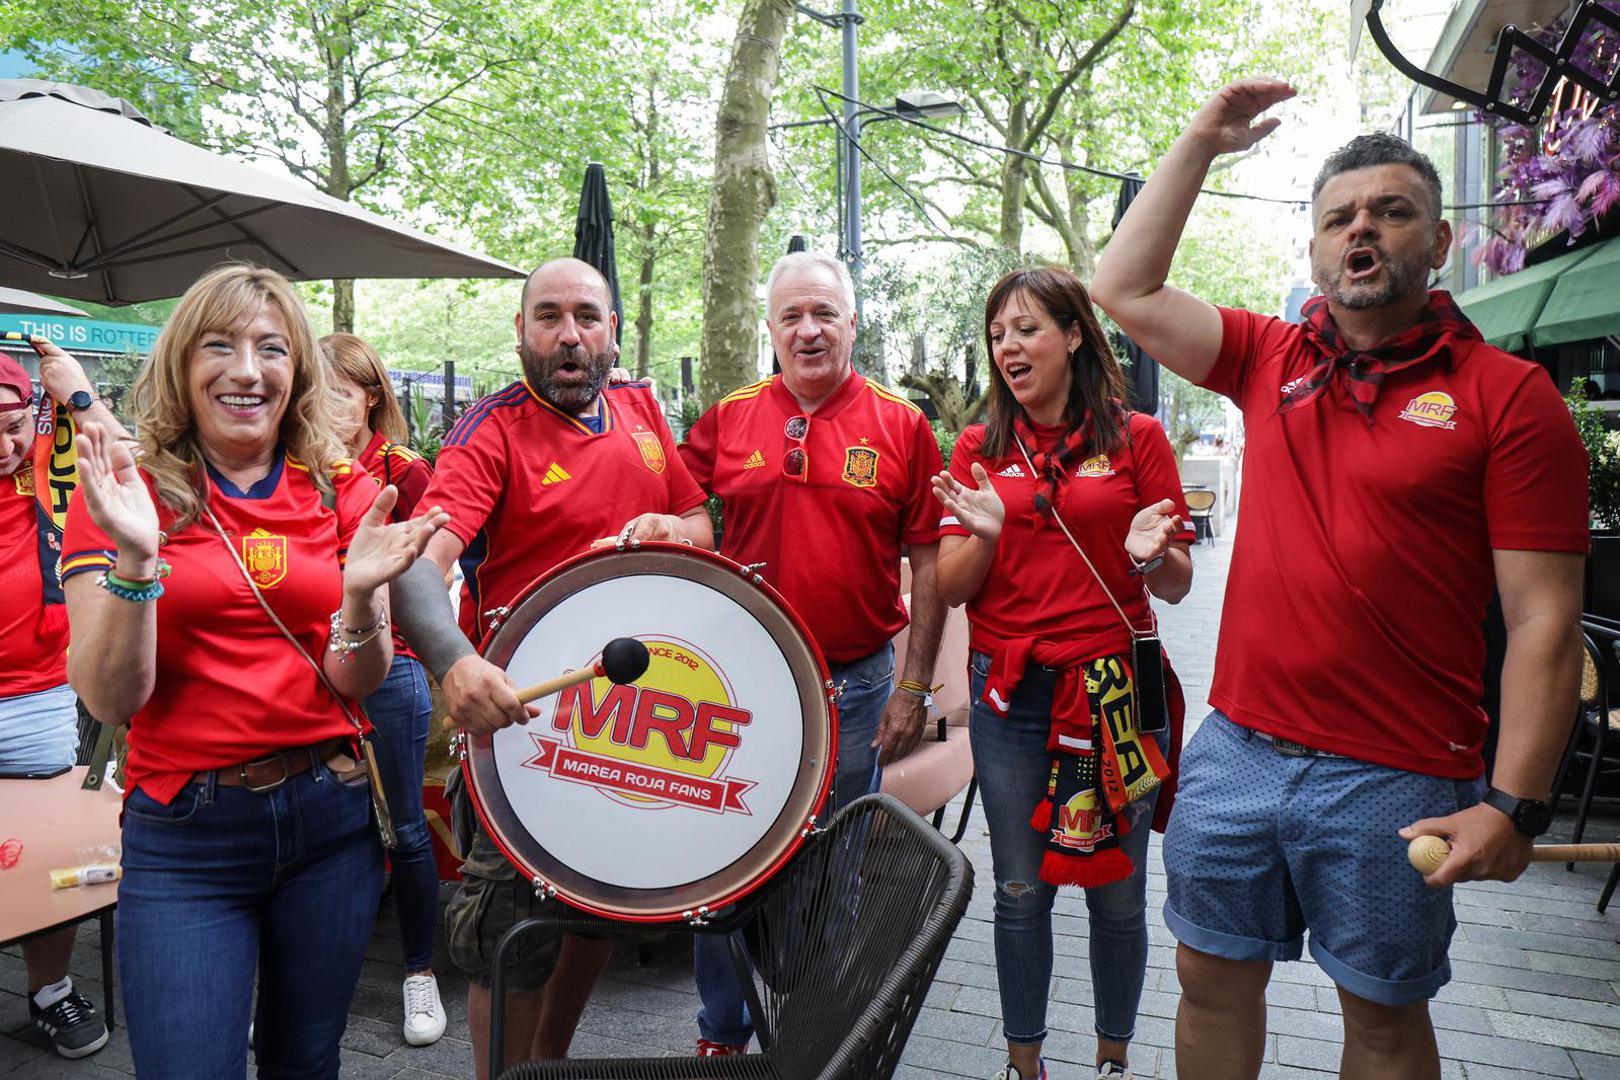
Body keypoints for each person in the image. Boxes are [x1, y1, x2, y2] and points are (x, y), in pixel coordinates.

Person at [1091, 80, 1588, 1078]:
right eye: (1338, 218)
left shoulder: (1509, 397)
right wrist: (1201, 139)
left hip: (1399, 771)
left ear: (1438, 241)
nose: (1361, 228)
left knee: (1384, 1021)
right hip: (1237, 748)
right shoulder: (1268, 358)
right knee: (1207, 980)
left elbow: (1545, 619)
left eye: (1390, 211)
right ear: (1316, 253)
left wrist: (1516, 805)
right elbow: (1124, 288)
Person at [61, 264, 447, 1079]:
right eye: (220, 346)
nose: (247, 369)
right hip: (186, 836)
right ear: (181, 364)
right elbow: (109, 697)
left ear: (296, 370)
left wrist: (358, 599)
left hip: (330, 819)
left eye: (271, 348)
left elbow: (356, 682)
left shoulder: (338, 485)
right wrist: (137, 560)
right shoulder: (125, 490)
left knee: (305, 1061)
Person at [388, 257, 712, 1079]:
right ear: (522, 332)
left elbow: (699, 521)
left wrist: (674, 530)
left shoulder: (642, 409)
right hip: (522, 725)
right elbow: (418, 566)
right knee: (511, 937)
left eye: (586, 317)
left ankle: (551, 1067)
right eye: (549, 317)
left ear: (613, 333)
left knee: (596, 913)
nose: (569, 336)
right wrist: (455, 664)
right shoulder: (489, 432)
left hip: (629, 720)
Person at [677, 249, 948, 1056]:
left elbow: (931, 562)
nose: (808, 330)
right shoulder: (727, 419)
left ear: (852, 325)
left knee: (837, 862)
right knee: (722, 853)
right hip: (741, 684)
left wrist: (914, 688)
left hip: (855, 687)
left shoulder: (902, 425)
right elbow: (676, 507)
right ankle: (721, 1035)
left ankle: (812, 1038)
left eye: (824, 313)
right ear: (770, 328)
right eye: (791, 315)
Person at [930, 267, 1194, 1080]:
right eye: (997, 335)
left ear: (1074, 334)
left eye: (1026, 329)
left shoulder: (1137, 438)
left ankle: (1113, 1058)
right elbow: (951, 587)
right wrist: (985, 533)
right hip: (1011, 698)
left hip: (1116, 695)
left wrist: (1148, 557)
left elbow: (1178, 582)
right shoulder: (979, 448)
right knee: (1019, 890)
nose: (1008, 347)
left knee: (1118, 895)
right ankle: (1024, 1065)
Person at [321, 331, 445, 1047]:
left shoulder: (403, 468)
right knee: (328, 829)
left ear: (371, 397)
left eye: (339, 393)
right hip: (316, 667)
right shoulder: (293, 466)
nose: (325, 407)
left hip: (393, 664)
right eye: (315, 394)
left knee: (405, 824)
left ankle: (420, 973)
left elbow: (433, 571)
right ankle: (310, 983)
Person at [0, 339, 123, 1059]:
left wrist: (77, 393)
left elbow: (129, 463)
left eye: (14, 426)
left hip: (39, 697)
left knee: (51, 851)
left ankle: (49, 990)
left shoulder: (51, 464)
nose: (5, 446)